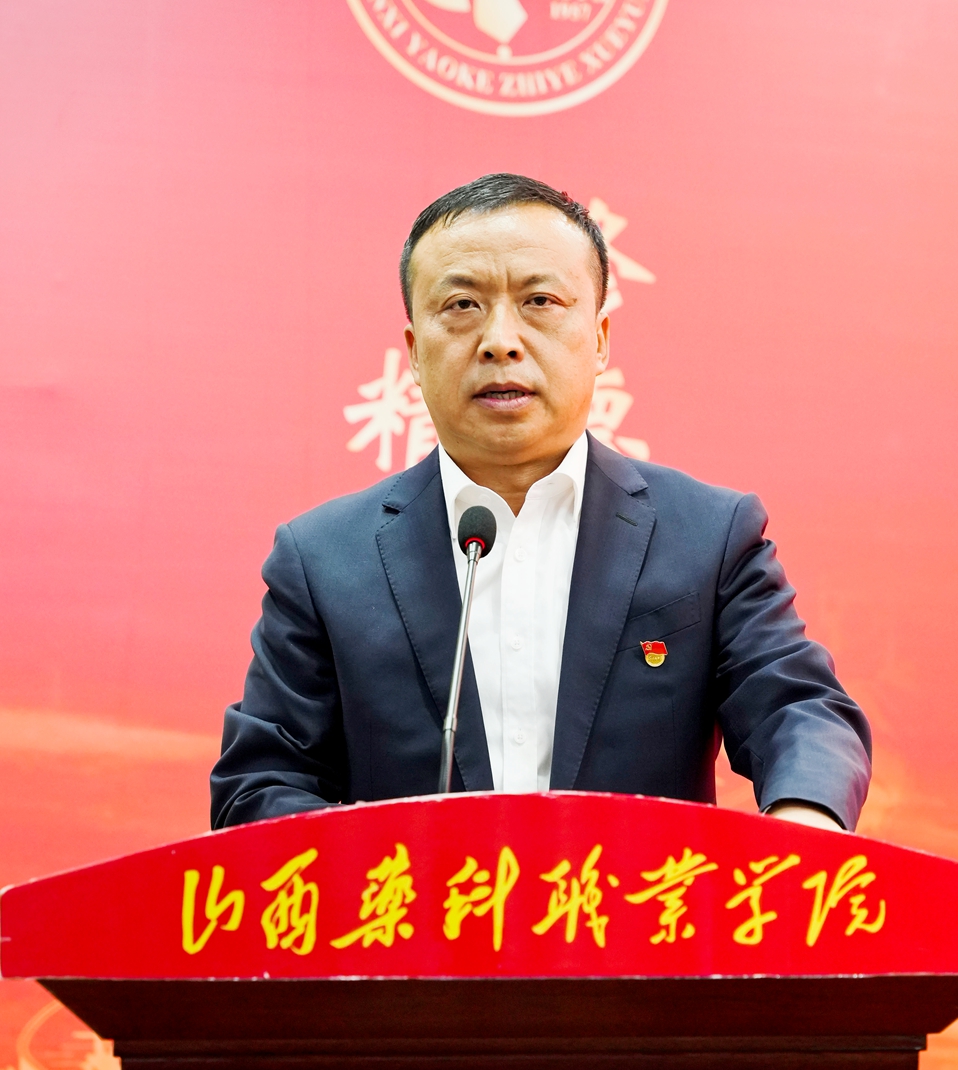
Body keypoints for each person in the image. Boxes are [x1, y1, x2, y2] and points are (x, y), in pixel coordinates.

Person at [211, 173, 870, 833]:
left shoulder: (709, 536)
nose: (500, 340)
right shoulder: (323, 561)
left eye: (540, 301)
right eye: (463, 305)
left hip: (635, 902)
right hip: (408, 903)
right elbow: (262, 783)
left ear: (601, 338)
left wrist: (804, 822)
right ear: (413, 352)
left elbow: (801, 711)